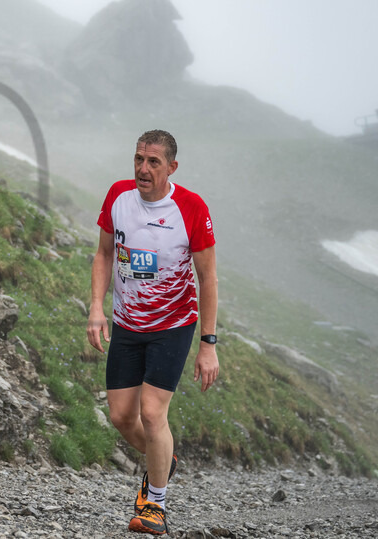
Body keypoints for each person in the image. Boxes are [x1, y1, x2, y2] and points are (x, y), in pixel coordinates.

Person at [86, 129, 218, 535]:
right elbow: (105, 253)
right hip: (128, 323)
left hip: (173, 325)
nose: (143, 169)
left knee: (151, 412)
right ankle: (165, 460)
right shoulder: (118, 196)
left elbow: (207, 276)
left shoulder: (191, 208)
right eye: (139, 159)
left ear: (172, 167)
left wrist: (208, 344)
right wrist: (96, 308)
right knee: (122, 416)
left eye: (154, 162)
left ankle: (154, 506)